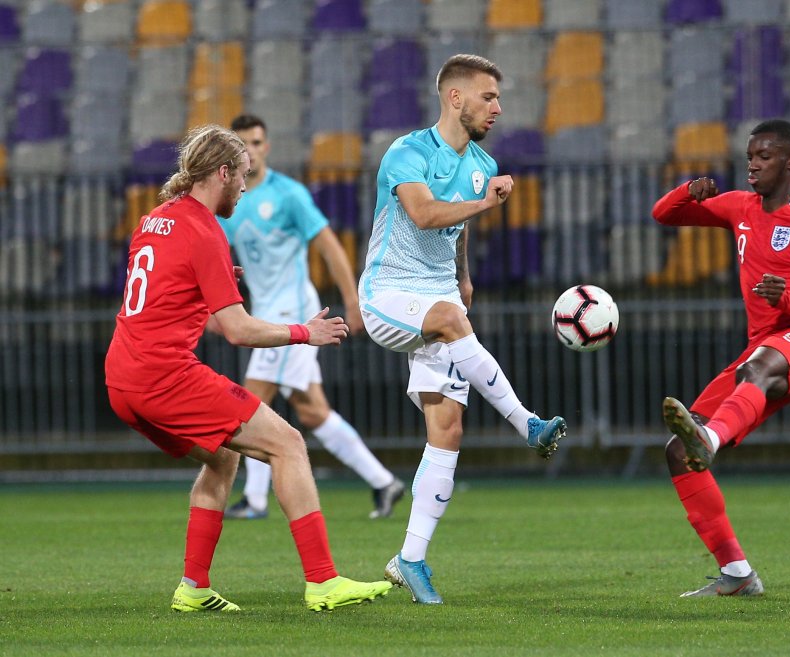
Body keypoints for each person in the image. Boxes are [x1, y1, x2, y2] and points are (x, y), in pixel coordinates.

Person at [104, 125, 392, 613]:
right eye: (241, 175)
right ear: (222, 172)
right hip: (164, 376)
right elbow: (236, 330)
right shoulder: (204, 230)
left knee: (223, 457)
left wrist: (209, 281)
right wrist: (306, 332)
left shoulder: (155, 220)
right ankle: (323, 581)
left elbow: (162, 299)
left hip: (122, 380)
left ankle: (193, 588)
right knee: (289, 443)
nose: (244, 185)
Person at [358, 53, 567, 605]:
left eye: (498, 97)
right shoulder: (407, 152)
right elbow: (426, 215)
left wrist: (464, 275)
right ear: (455, 98)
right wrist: (483, 202)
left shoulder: (480, 161)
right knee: (453, 320)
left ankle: (410, 558)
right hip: (388, 295)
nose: (497, 107)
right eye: (488, 97)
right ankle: (528, 425)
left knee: (446, 431)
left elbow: (458, 230)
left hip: (440, 296)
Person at [651, 119, 790, 597]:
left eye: (764, 156)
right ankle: (738, 575)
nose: (753, 164)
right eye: (750, 156)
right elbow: (663, 214)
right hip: (760, 347)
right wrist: (689, 191)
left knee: (754, 369)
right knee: (677, 453)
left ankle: (711, 441)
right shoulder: (741, 207)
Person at [214, 114, 404, 521]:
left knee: (250, 399)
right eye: (243, 143)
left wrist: (352, 300)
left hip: (294, 311)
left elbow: (330, 246)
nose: (252, 149)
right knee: (312, 410)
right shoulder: (232, 201)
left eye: (257, 142)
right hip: (265, 311)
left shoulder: (289, 195)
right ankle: (383, 481)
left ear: (267, 146)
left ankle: (255, 499)